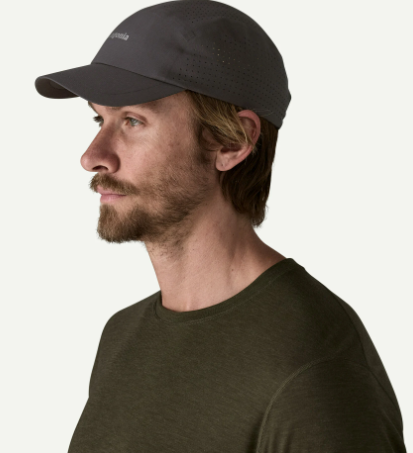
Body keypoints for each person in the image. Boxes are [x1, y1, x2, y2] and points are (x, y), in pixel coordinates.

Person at [34, 1, 407, 452]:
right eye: (100, 118)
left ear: (232, 141)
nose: (92, 156)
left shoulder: (313, 365)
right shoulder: (123, 336)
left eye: (132, 120)